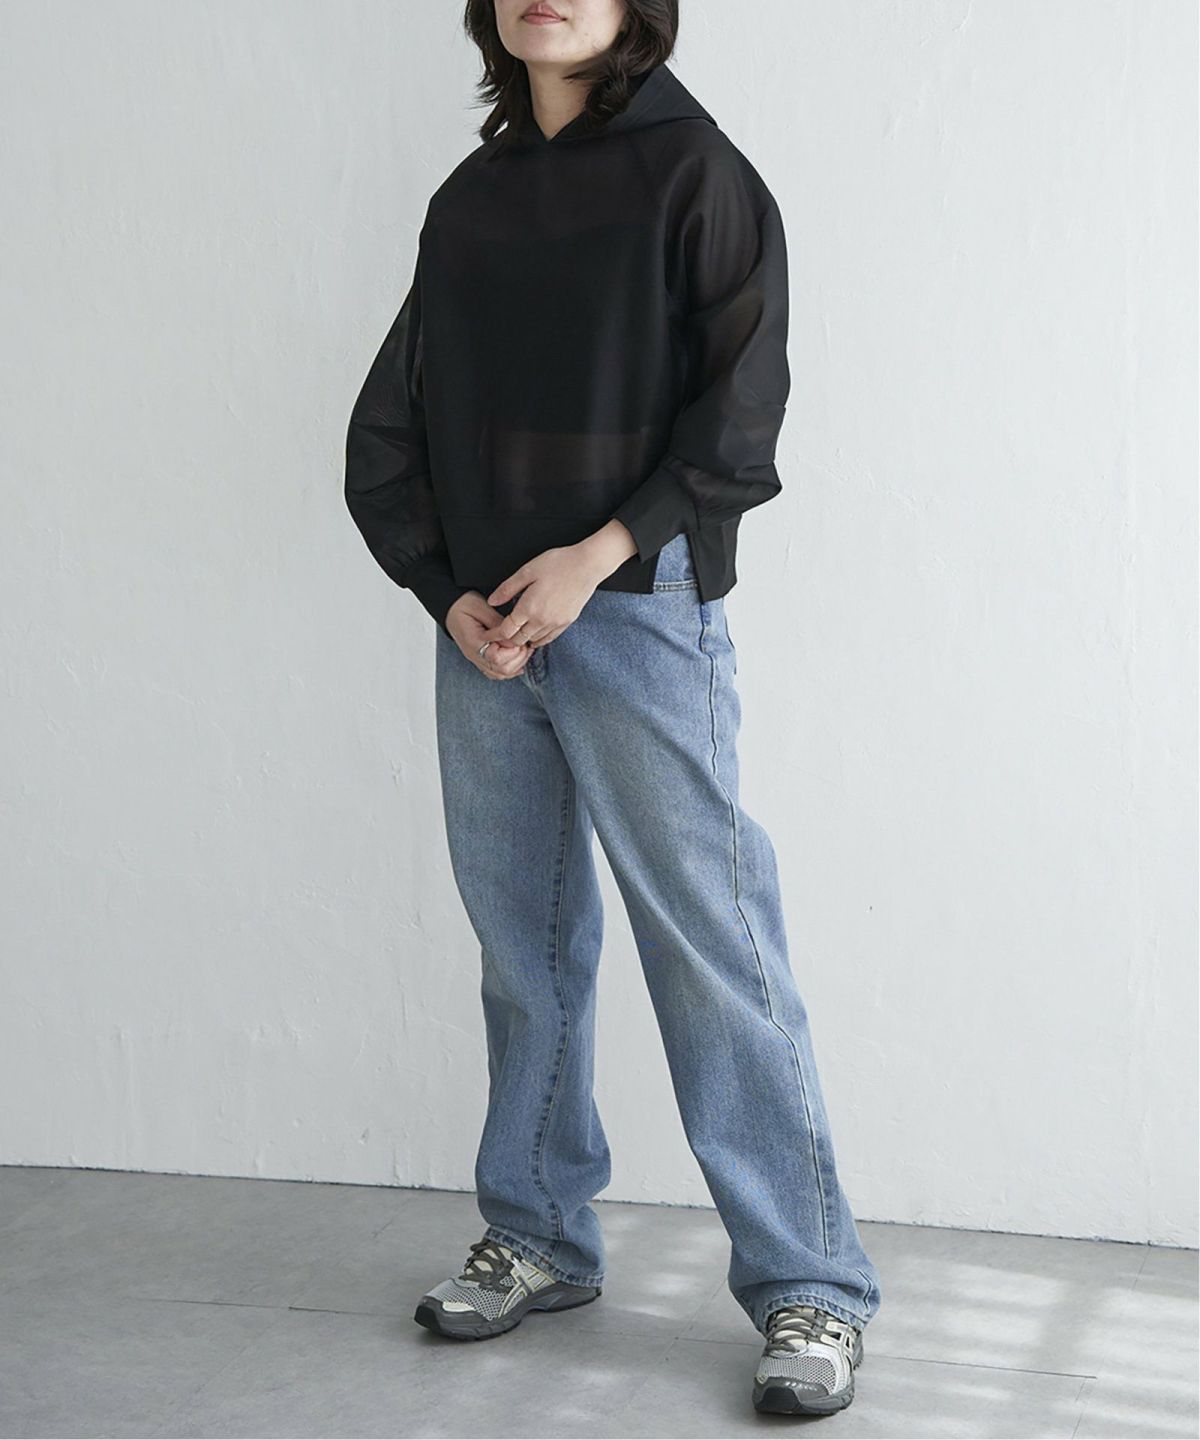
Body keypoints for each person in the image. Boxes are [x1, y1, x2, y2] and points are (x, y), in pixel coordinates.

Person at [344, 0, 882, 1417]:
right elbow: (391, 423)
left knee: (711, 941)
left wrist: (595, 558)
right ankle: (536, 1233)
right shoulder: (472, 199)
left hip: (638, 610)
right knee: (524, 947)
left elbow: (741, 417)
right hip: (489, 632)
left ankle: (812, 1283)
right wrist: (445, 592)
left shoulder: (698, 175)